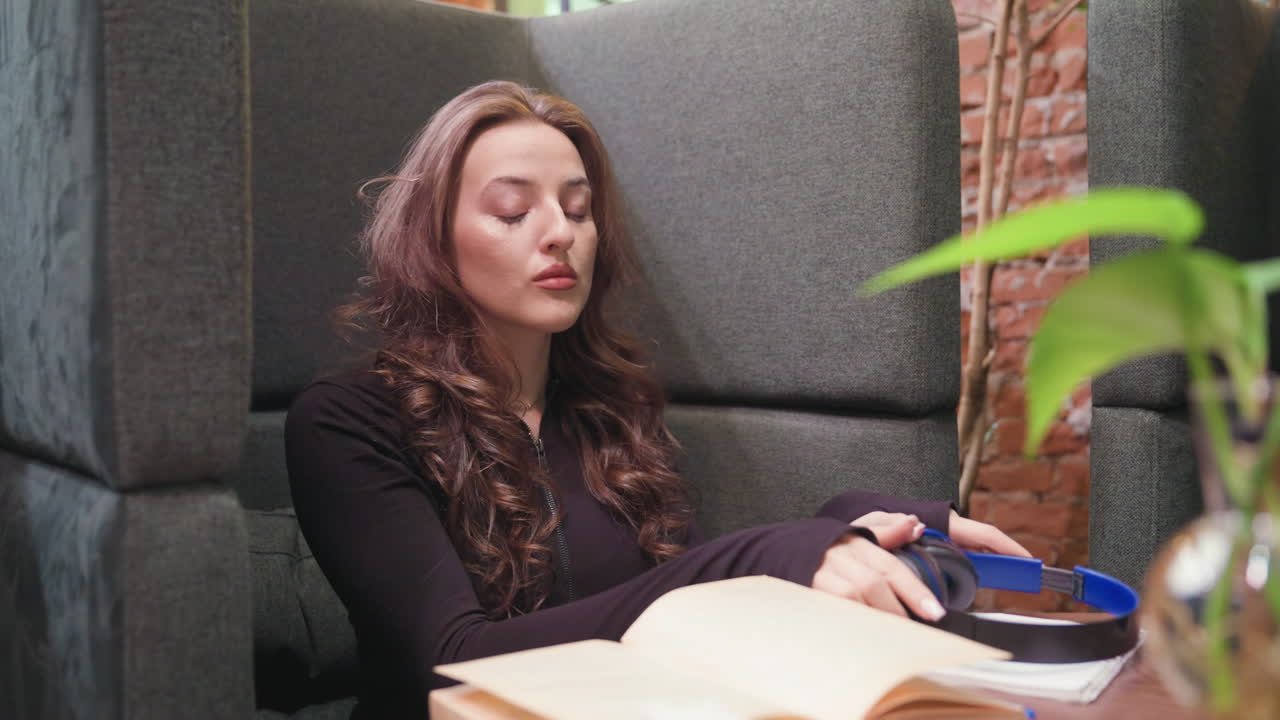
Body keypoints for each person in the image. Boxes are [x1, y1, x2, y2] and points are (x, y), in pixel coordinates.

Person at [285, 81, 1029, 719]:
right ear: (434, 240)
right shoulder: (348, 420)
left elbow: (672, 605)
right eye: (512, 211)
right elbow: (455, 660)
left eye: (578, 210)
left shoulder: (609, 408)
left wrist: (839, 526)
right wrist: (769, 555)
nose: (559, 234)